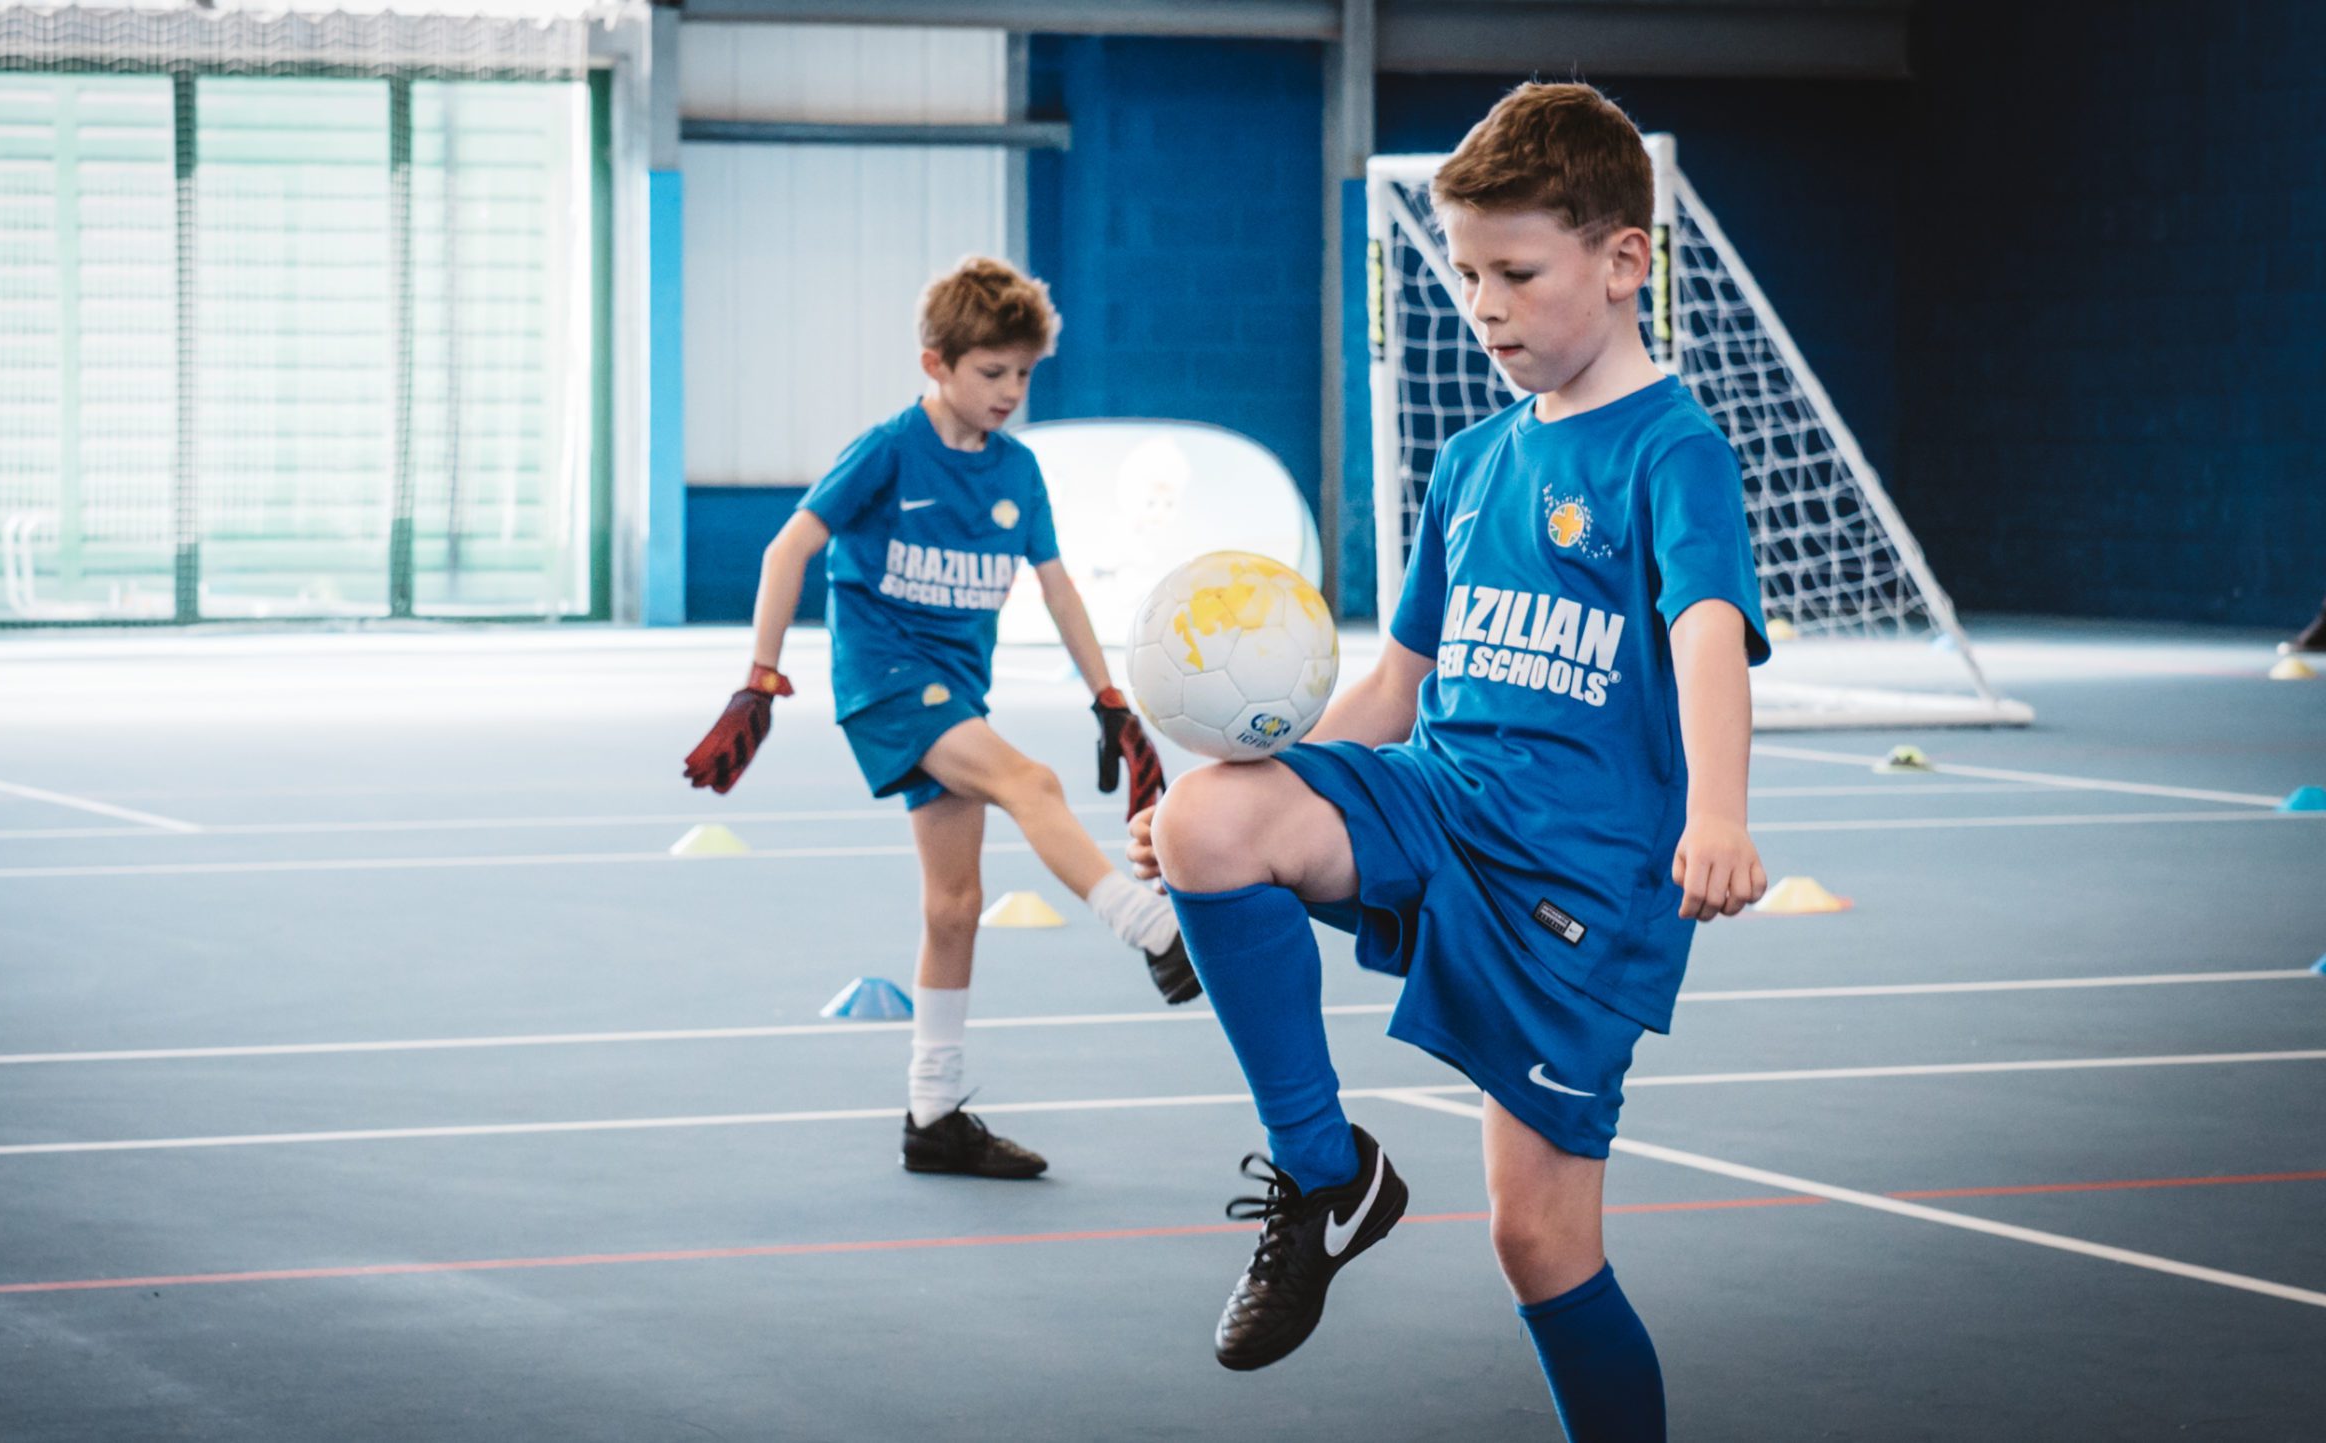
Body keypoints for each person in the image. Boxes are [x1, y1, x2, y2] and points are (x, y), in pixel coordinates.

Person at [1129, 83, 1769, 1439]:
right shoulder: (1474, 461)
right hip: (1443, 797)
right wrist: (1263, 779)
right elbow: (1393, 686)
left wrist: (1720, 807)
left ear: (1622, 259)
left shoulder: (1675, 452)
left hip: (1578, 882)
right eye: (1468, 272)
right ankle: (1328, 1179)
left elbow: (1710, 631)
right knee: (1206, 827)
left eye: (1516, 272)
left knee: (1539, 1242)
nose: (1483, 302)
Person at [685, 256, 1193, 1182]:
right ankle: (1151, 930)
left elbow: (1058, 585)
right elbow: (790, 542)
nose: (1009, 391)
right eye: (989, 372)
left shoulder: (1019, 471)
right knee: (1028, 781)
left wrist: (1107, 692)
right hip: (886, 681)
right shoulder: (887, 450)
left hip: (955, 688)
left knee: (954, 906)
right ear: (936, 364)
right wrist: (759, 677)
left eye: (1023, 374)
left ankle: (934, 1111)